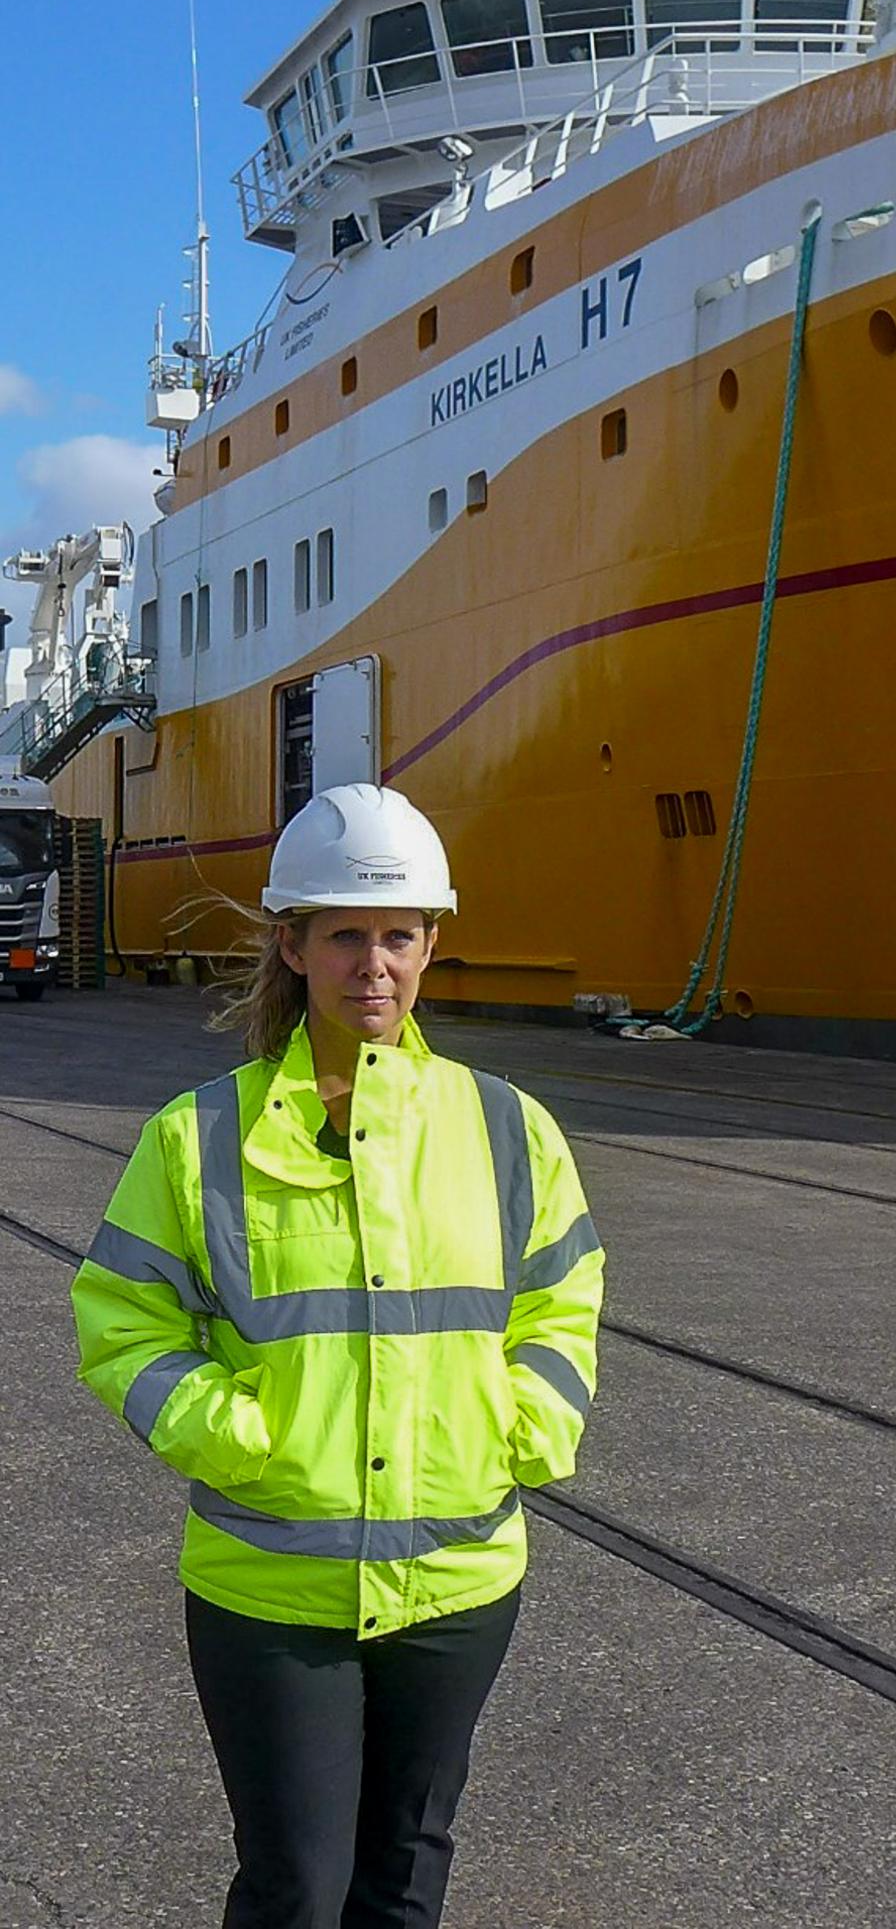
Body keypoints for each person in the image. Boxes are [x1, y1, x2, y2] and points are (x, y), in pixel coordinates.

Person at [71, 783, 603, 1929]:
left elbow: (562, 1294)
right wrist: (230, 1432)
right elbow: (123, 1314)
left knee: (406, 1878)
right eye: (347, 934)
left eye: (399, 935)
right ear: (292, 943)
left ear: (431, 945)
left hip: (458, 1573)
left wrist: (526, 1423)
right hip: (271, 1584)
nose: (375, 964)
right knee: (296, 1891)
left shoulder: (506, 1127)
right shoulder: (200, 1134)